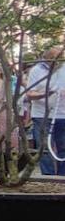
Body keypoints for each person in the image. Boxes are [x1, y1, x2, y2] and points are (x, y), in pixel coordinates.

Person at [25, 46, 64, 175]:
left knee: (63, 148)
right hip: (42, 115)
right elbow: (29, 94)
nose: (57, 61)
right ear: (47, 58)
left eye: (60, 57)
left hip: (62, 115)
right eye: (54, 58)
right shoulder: (36, 70)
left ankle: (62, 178)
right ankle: (49, 177)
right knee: (44, 148)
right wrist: (47, 93)